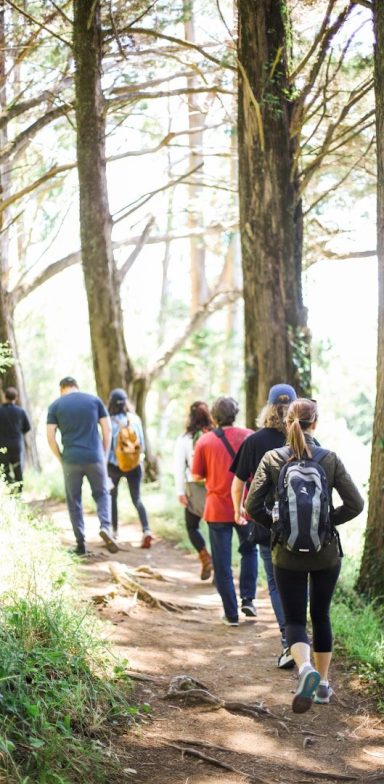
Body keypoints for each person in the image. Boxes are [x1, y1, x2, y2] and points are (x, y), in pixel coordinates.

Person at [246, 398, 364, 713]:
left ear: (287, 423)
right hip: (325, 555)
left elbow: (251, 507)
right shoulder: (329, 459)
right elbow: (356, 504)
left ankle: (305, 669)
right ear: (315, 424)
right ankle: (323, 685)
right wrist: (326, 523)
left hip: (286, 555)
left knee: (296, 618)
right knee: (321, 615)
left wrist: (278, 527)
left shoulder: (273, 459)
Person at [231, 383, 297, 670]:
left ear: (268, 408)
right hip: (302, 525)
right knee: (299, 581)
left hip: (265, 523)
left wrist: (238, 511)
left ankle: (290, 642)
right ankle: (302, 640)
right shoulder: (306, 440)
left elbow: (237, 484)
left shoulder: (254, 441)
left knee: (275, 583)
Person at [192, 395, 255, 626]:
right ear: (235, 414)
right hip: (246, 506)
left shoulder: (205, 442)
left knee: (222, 563)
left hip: (217, 508)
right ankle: (248, 599)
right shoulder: (249, 436)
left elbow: (196, 475)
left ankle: (231, 614)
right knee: (249, 551)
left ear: (215, 416)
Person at [47, 376, 118, 556]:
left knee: (74, 501)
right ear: (76, 387)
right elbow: (107, 429)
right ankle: (105, 527)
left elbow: (50, 436)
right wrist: (103, 455)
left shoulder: (56, 405)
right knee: (102, 494)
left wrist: (61, 458)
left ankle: (80, 544)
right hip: (95, 457)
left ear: (62, 388)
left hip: (70, 459)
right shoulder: (94, 400)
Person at [107, 388, 153, 548]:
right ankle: (146, 530)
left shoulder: (108, 421)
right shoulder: (135, 419)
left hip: (113, 466)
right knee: (137, 498)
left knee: (112, 497)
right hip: (134, 465)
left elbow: (106, 447)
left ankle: (113, 531)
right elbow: (142, 445)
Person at [174, 401, 214, 580]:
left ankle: (205, 557)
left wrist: (180, 492)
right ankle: (219, 570)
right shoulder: (215, 435)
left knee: (192, 526)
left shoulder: (185, 439)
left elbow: (178, 467)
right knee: (217, 530)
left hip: (193, 489)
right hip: (215, 489)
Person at [0, 386, 31, 492]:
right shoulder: (20, 411)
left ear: (4, 396)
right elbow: (27, 428)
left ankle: (11, 486)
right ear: (16, 398)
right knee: (18, 470)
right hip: (16, 446)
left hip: (2, 445)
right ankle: (19, 492)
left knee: (4, 470)